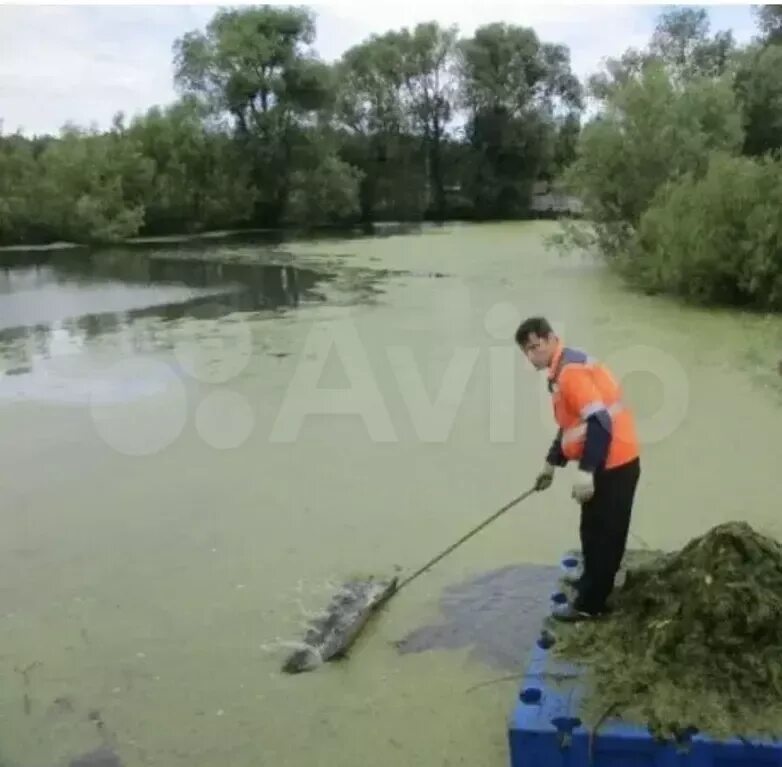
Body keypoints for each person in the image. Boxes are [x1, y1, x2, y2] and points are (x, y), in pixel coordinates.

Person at [515, 317, 641, 622]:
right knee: (591, 528)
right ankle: (590, 581)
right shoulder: (562, 369)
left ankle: (591, 605)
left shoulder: (571, 374)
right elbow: (572, 425)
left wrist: (586, 471)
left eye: (536, 347)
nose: (532, 356)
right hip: (605, 461)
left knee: (605, 534)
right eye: (526, 351)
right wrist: (551, 464)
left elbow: (601, 423)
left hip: (615, 463)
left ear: (551, 339)